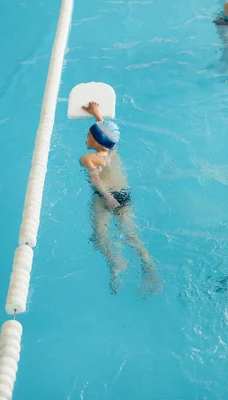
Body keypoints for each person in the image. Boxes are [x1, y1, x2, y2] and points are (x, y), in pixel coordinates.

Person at [80, 101, 159, 295]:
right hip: (124, 196)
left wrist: (107, 196)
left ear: (97, 141)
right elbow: (108, 133)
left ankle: (116, 264)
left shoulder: (88, 158)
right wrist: (97, 114)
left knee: (100, 237)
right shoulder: (113, 151)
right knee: (132, 235)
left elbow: (96, 182)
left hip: (105, 198)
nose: (86, 136)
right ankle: (149, 266)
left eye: (89, 135)